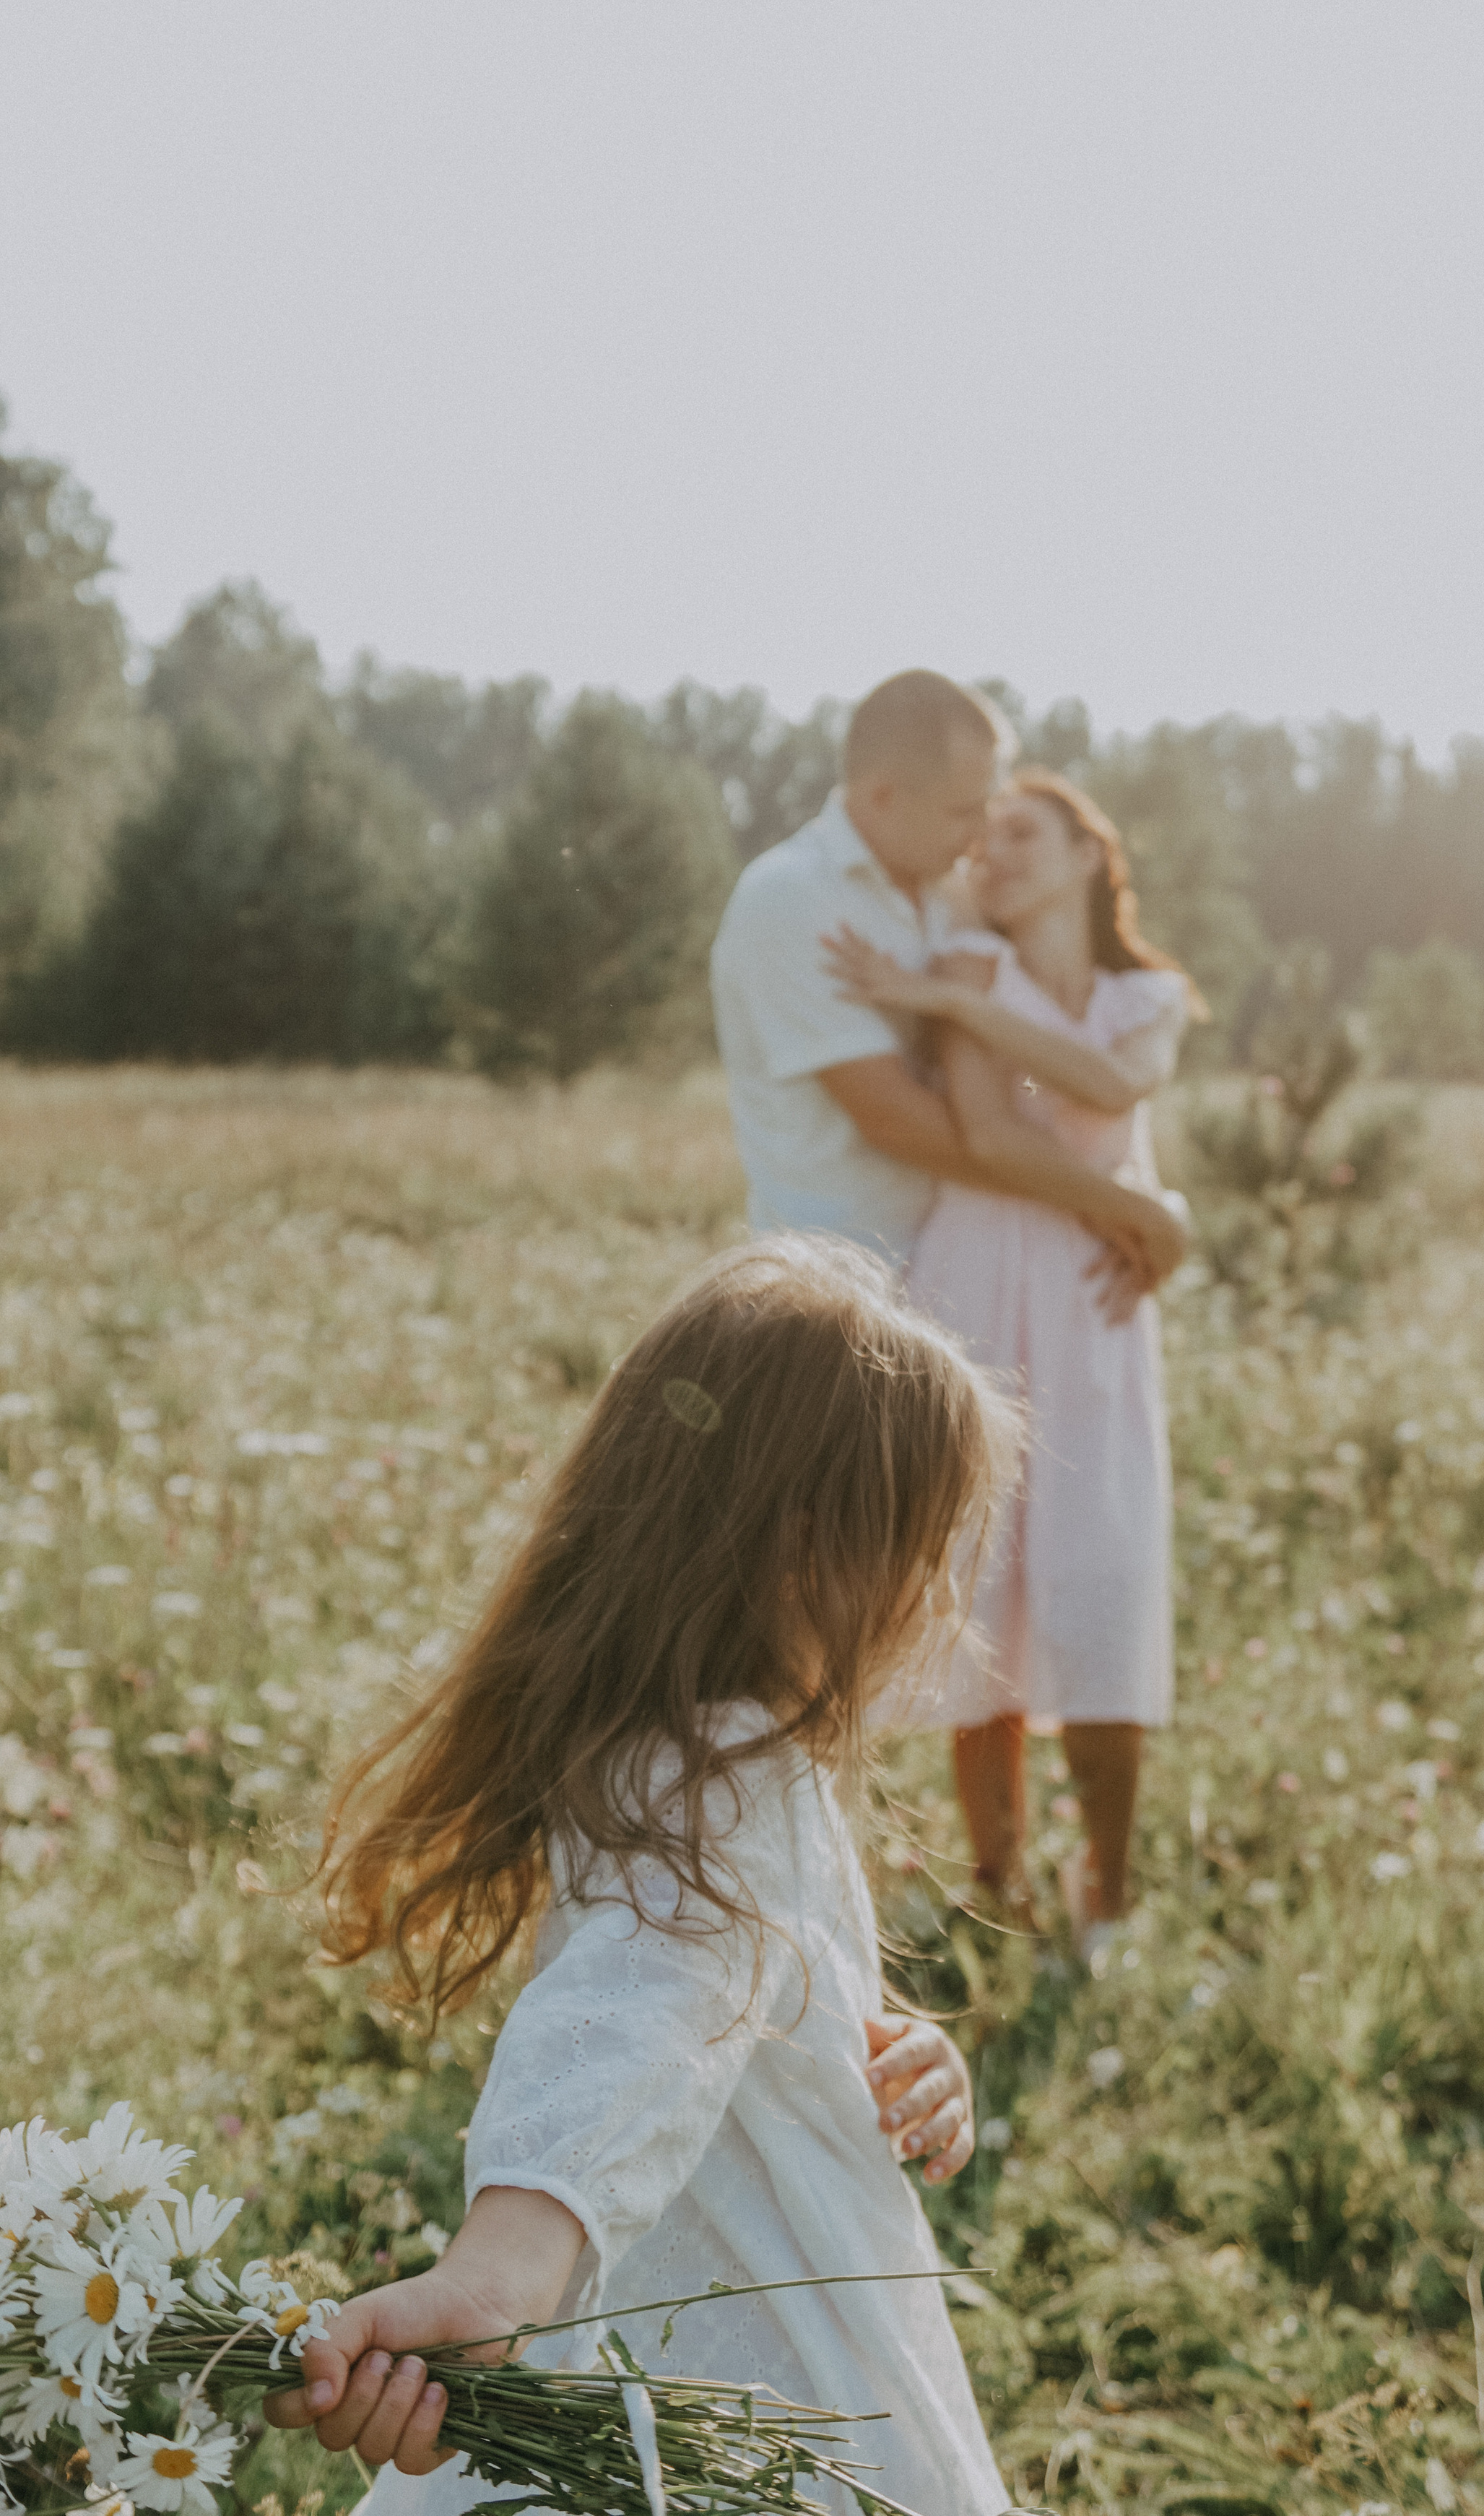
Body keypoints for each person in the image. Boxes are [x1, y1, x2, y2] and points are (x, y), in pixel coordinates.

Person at [264, 1237, 1020, 2516]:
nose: (936, 1594)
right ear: (804, 1548)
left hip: (704, 2340)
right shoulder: (716, 1777)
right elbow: (641, 2005)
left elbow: (738, 1999)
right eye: (920, 1545)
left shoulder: (699, 1745)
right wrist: (505, 2266)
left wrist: (885, 2052)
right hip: (753, 2394)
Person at [823, 772, 1202, 1971]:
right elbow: (987, 1138)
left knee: (1100, 1579)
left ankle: (1109, 1908)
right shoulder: (972, 969)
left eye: (1024, 834)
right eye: (979, 841)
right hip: (980, 1276)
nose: (993, 855)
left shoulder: (1148, 993)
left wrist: (1151, 1227)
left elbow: (1112, 1084)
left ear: (1093, 853)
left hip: (1094, 1307)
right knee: (974, 1585)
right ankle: (1000, 1894)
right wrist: (1148, 1218)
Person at [708, 667, 1187, 1297]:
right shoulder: (793, 900)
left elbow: (1059, 1042)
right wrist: (1116, 1209)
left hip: (971, 1271)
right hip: (837, 1287)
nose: (982, 833)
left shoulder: (957, 895)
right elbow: (894, 1119)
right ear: (883, 797)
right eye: (965, 811)